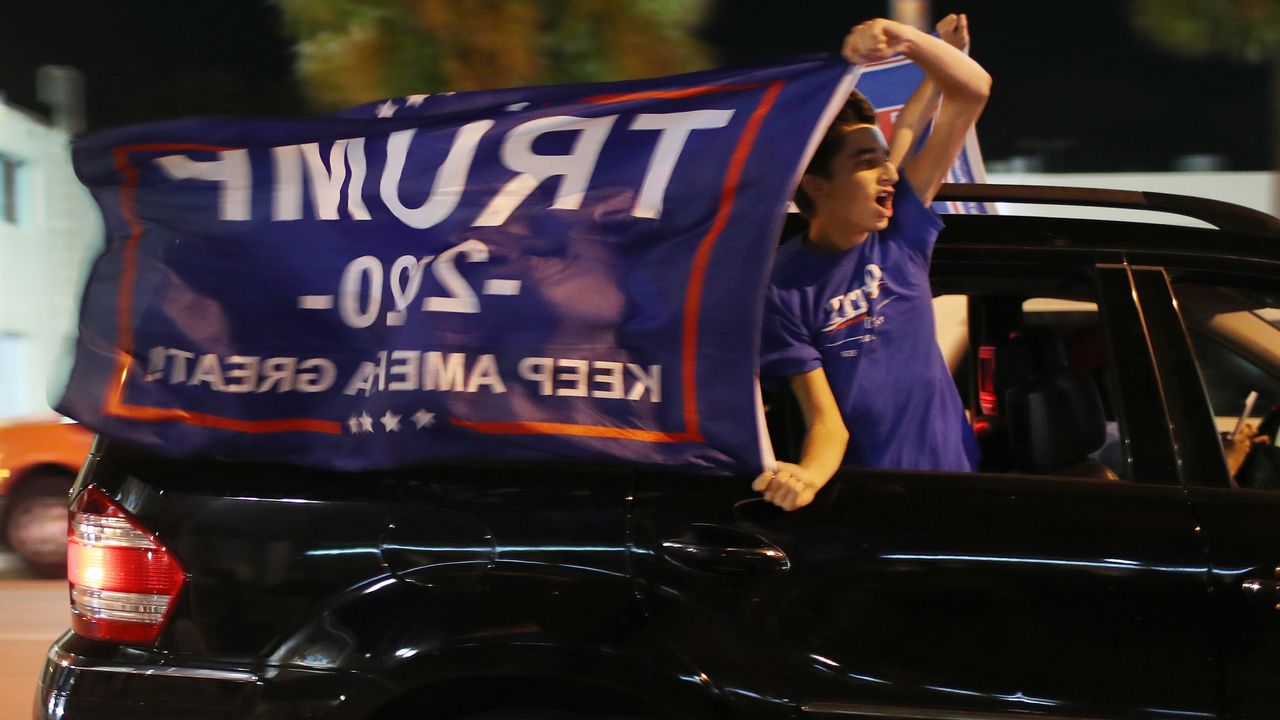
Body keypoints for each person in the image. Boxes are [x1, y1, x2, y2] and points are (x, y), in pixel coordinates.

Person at [753, 15, 991, 511]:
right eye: (866, 161)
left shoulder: (899, 231)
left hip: (961, 488)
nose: (889, 173)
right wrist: (807, 478)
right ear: (815, 184)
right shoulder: (781, 287)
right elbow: (825, 422)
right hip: (875, 509)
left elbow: (972, 91)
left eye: (884, 160)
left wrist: (907, 39)